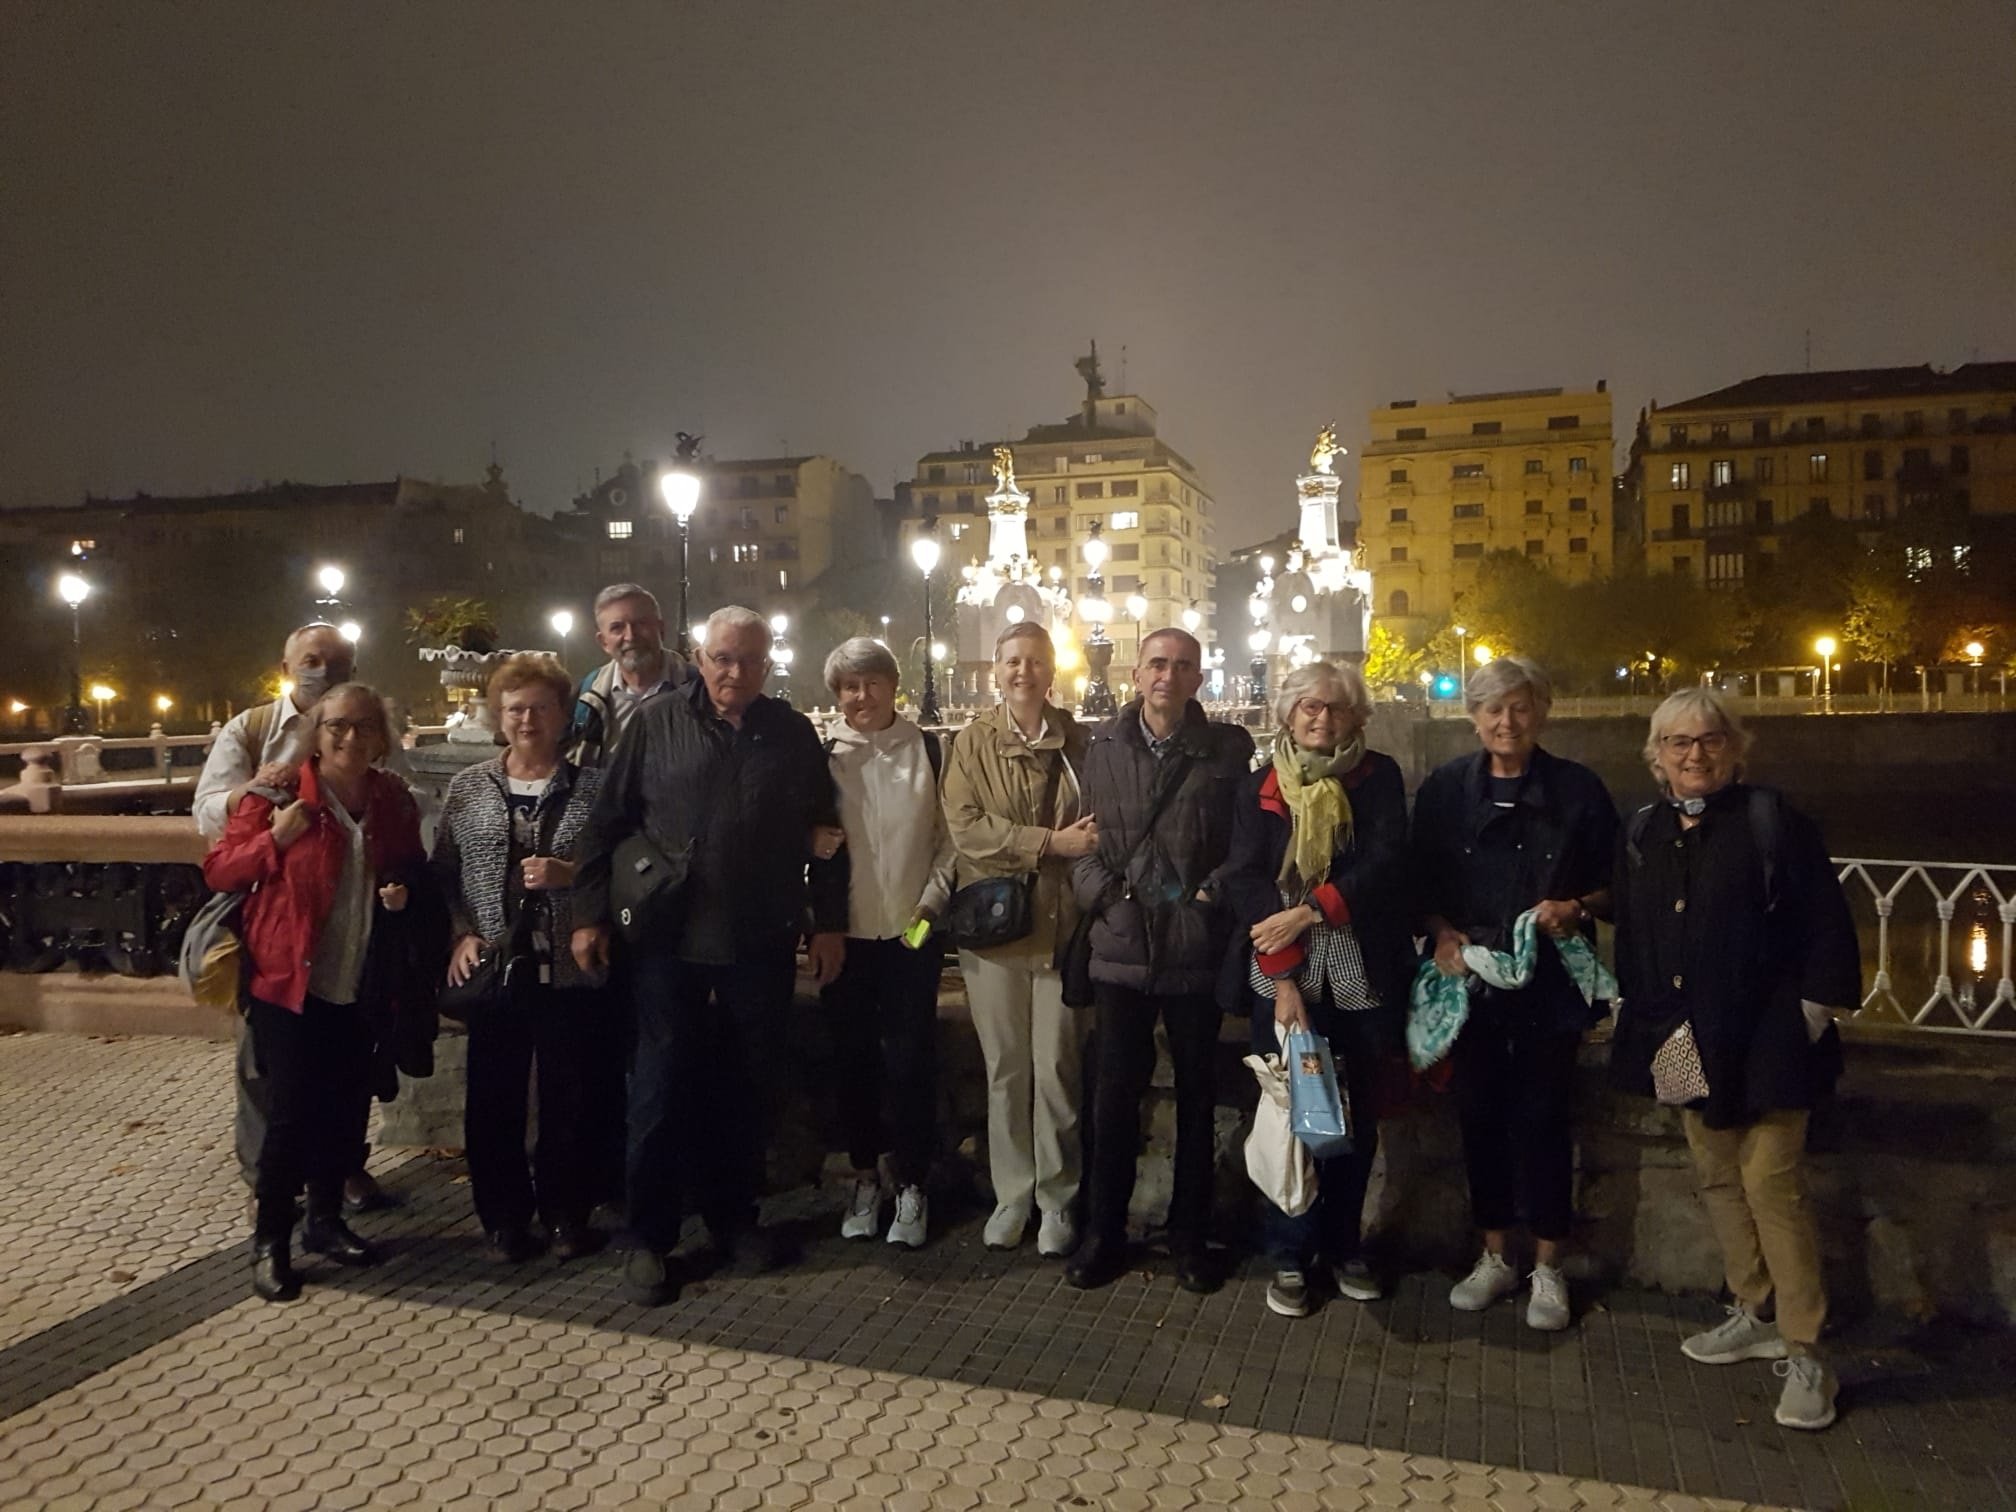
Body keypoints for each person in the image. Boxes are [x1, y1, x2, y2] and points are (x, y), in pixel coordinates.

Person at [571, 606, 847, 1305]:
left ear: (768, 663)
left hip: (759, 938)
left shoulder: (789, 731)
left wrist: (829, 924)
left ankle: (734, 1218)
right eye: (724, 658)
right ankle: (651, 1238)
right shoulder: (655, 723)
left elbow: (828, 832)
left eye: (751, 660)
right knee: (660, 1089)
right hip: (670, 940)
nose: (736, 672)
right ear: (698, 655)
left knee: (749, 1087)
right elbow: (606, 823)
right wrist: (589, 915)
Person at [1609, 689, 1858, 1431]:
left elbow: (1825, 925)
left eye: (1710, 740)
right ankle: (1754, 1308)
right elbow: (1637, 932)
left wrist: (1811, 1016)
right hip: (1681, 1038)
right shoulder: (1645, 831)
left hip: (1769, 1039)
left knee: (1770, 1181)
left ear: (1735, 748)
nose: (1695, 754)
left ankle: (1808, 1349)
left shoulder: (1773, 821)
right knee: (1716, 1174)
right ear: (1657, 756)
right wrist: (1643, 1016)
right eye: (1679, 743)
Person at [199, 684, 435, 1301]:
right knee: (290, 1114)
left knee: (346, 1107)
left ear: (381, 737)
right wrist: (274, 838)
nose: (350, 739)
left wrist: (403, 893)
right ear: (316, 733)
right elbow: (221, 870)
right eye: (336, 727)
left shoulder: (390, 799)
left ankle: (326, 1223)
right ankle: (271, 1240)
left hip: (362, 980)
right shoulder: (278, 794)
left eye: (363, 728)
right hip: (289, 981)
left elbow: (411, 866)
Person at [1410, 655, 1617, 1331]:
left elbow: (1619, 884)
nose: (1507, 721)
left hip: (1547, 986)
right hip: (1471, 986)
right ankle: (1495, 1255)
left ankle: (1549, 1269)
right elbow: (1424, 886)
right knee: (1479, 1122)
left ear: (1542, 712)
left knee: (1546, 1122)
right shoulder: (1445, 790)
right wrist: (1441, 934)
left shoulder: (1579, 791)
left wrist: (1575, 908)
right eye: (1493, 708)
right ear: (1473, 716)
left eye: (1521, 707)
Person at [1219, 661, 1413, 1319]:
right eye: (1308, 707)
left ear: (1357, 717)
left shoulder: (1377, 777)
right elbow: (1245, 880)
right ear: (1286, 713)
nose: (1321, 719)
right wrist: (1282, 985)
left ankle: (1344, 1244)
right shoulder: (1259, 786)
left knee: (1353, 1123)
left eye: (1334, 708)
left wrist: (1311, 909)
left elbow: (1386, 863)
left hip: (1358, 975)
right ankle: (1289, 1254)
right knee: (1291, 1116)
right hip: (1282, 975)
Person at [1064, 628, 1253, 1293]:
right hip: (1120, 950)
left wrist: (1210, 896)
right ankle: (1102, 1232)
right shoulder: (1103, 747)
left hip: (1191, 949)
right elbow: (1080, 842)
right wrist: (1106, 899)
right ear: (1136, 675)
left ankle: (1189, 1237)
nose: (1167, 677)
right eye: (1156, 665)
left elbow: (1244, 847)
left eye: (1182, 667)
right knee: (1112, 1097)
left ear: (1198, 679)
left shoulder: (1227, 752)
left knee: (1199, 1098)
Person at [433, 654, 608, 1263]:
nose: (527, 719)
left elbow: (618, 868)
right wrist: (460, 934)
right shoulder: (468, 788)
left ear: (563, 715)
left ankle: (565, 1214)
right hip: (496, 970)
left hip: (567, 967)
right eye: (514, 709)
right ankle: (504, 1219)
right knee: (493, 1099)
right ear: (497, 717)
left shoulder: (594, 787)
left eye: (539, 707)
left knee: (570, 1096)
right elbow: (445, 875)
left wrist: (571, 874)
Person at [941, 622, 1095, 1256]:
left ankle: (1058, 1198)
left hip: (1062, 929)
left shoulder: (1081, 743)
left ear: (1050, 670)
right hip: (995, 932)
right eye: (1011, 661)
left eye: (1034, 661)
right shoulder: (972, 743)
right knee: (1005, 1068)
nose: (1022, 671)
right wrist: (1046, 845)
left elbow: (1103, 820)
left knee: (1058, 1067)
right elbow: (965, 827)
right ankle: (1013, 1193)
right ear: (994, 671)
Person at [819, 637, 955, 1248]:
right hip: (844, 935)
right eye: (849, 686)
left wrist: (929, 908)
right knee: (851, 1062)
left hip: (912, 930)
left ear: (893, 686)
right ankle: (865, 1176)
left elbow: (951, 840)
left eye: (872, 682)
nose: (860, 695)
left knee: (910, 1062)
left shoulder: (928, 749)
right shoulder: (824, 758)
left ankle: (912, 1183)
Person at [569, 583, 688, 768]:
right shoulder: (584, 698)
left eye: (641, 624)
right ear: (604, 642)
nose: (630, 636)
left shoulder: (698, 688)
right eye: (617, 628)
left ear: (661, 629)